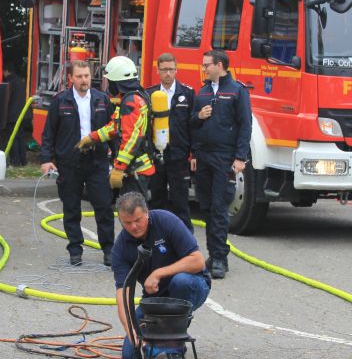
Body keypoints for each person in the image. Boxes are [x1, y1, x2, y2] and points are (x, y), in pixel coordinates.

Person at [112, 192, 210, 359]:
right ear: (120, 220)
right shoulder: (121, 248)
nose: (134, 227)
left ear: (147, 213)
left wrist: (159, 273)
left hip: (192, 285)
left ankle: (174, 346)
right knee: (130, 354)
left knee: (181, 282)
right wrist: (131, 331)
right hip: (157, 301)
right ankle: (161, 340)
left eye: (138, 220)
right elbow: (122, 295)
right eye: (127, 223)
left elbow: (198, 261)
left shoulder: (166, 221)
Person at [40, 60, 115, 266]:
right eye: (80, 76)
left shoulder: (102, 99)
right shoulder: (60, 101)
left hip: (96, 161)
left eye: (87, 76)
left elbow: (113, 131)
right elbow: (49, 133)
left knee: (103, 206)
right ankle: (75, 250)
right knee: (71, 208)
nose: (84, 80)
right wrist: (46, 160)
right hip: (69, 162)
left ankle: (109, 250)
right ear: (71, 78)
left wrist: (118, 162)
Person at [191, 49, 252, 279]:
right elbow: (193, 126)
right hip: (204, 157)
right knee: (205, 206)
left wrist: (240, 157)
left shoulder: (237, 91)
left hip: (225, 158)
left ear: (220, 65)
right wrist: (199, 118)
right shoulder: (203, 93)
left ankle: (219, 258)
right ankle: (212, 253)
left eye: (207, 65)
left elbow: (245, 126)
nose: (204, 68)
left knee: (219, 208)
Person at [76, 55, 155, 196]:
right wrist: (92, 138)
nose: (109, 85)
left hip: (135, 170)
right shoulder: (135, 96)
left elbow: (131, 138)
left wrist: (119, 168)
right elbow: (116, 126)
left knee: (135, 213)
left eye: (110, 81)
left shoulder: (130, 102)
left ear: (117, 81)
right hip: (135, 167)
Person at [146, 53, 195, 232]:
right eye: (164, 70)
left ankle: (186, 244)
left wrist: (193, 153)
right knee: (156, 200)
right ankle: (155, 239)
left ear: (177, 70)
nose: (168, 73)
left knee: (180, 201)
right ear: (158, 71)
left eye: (171, 69)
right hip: (156, 156)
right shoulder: (150, 94)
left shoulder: (187, 94)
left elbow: (193, 127)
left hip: (179, 156)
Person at [0, 62, 29, 167]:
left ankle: (15, 161)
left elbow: (7, 99)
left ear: (6, 70)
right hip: (24, 114)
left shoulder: (9, 82)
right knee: (21, 138)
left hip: (12, 115)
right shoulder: (21, 81)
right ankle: (23, 161)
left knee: (12, 139)